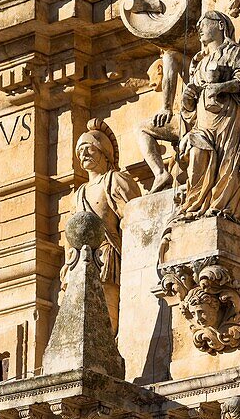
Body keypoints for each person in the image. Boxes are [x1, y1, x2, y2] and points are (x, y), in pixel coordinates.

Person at [174, 11, 240, 223]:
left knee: (228, 162)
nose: (199, 28)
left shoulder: (235, 52)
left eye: (204, 23)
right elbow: (189, 108)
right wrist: (187, 99)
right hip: (203, 120)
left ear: (220, 25)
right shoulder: (199, 62)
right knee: (197, 154)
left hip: (229, 118)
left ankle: (222, 208)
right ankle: (194, 205)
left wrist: (221, 87)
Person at [62, 118, 141, 333]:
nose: (84, 154)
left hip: (107, 258)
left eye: (89, 149)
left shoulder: (114, 180)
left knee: (107, 320)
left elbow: (134, 220)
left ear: (104, 153)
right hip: (80, 262)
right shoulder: (78, 194)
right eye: (80, 152)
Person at [138, 48, 187, 193]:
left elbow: (169, 68)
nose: (149, 82)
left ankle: (160, 174)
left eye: (150, 76)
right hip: (187, 123)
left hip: (189, 121)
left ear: (160, 69)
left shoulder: (171, 58)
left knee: (141, 128)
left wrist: (166, 107)